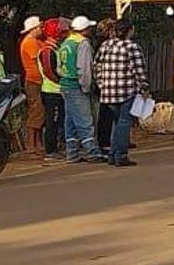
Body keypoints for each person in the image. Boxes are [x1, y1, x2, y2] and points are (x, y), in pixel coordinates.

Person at [94, 19, 149, 167]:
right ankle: (121, 155)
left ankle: (113, 154)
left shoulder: (106, 45)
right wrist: (144, 87)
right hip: (126, 90)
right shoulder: (132, 47)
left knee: (118, 123)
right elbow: (139, 70)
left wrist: (101, 84)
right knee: (124, 122)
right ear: (129, 30)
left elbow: (96, 66)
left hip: (108, 91)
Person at [57, 16, 107, 164]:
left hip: (65, 84)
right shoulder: (83, 43)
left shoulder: (66, 42)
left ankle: (72, 152)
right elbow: (85, 68)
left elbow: (59, 66)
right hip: (76, 85)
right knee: (85, 120)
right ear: (85, 30)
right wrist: (87, 86)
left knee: (71, 121)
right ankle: (92, 152)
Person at [37, 18, 66, 161]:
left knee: (57, 120)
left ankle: (56, 147)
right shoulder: (47, 50)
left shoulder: (54, 48)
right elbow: (49, 71)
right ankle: (51, 150)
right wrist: (61, 81)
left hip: (56, 90)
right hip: (52, 91)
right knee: (52, 121)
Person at [18, 15, 45, 155]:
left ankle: (38, 142)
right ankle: (31, 143)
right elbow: (37, 61)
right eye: (40, 27)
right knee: (36, 110)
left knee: (40, 112)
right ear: (34, 28)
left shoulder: (36, 41)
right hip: (34, 81)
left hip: (38, 81)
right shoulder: (30, 42)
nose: (42, 29)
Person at [94, 19, 117, 153]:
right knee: (106, 114)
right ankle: (104, 141)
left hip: (104, 84)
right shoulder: (104, 45)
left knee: (107, 114)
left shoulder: (101, 44)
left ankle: (108, 140)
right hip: (107, 84)